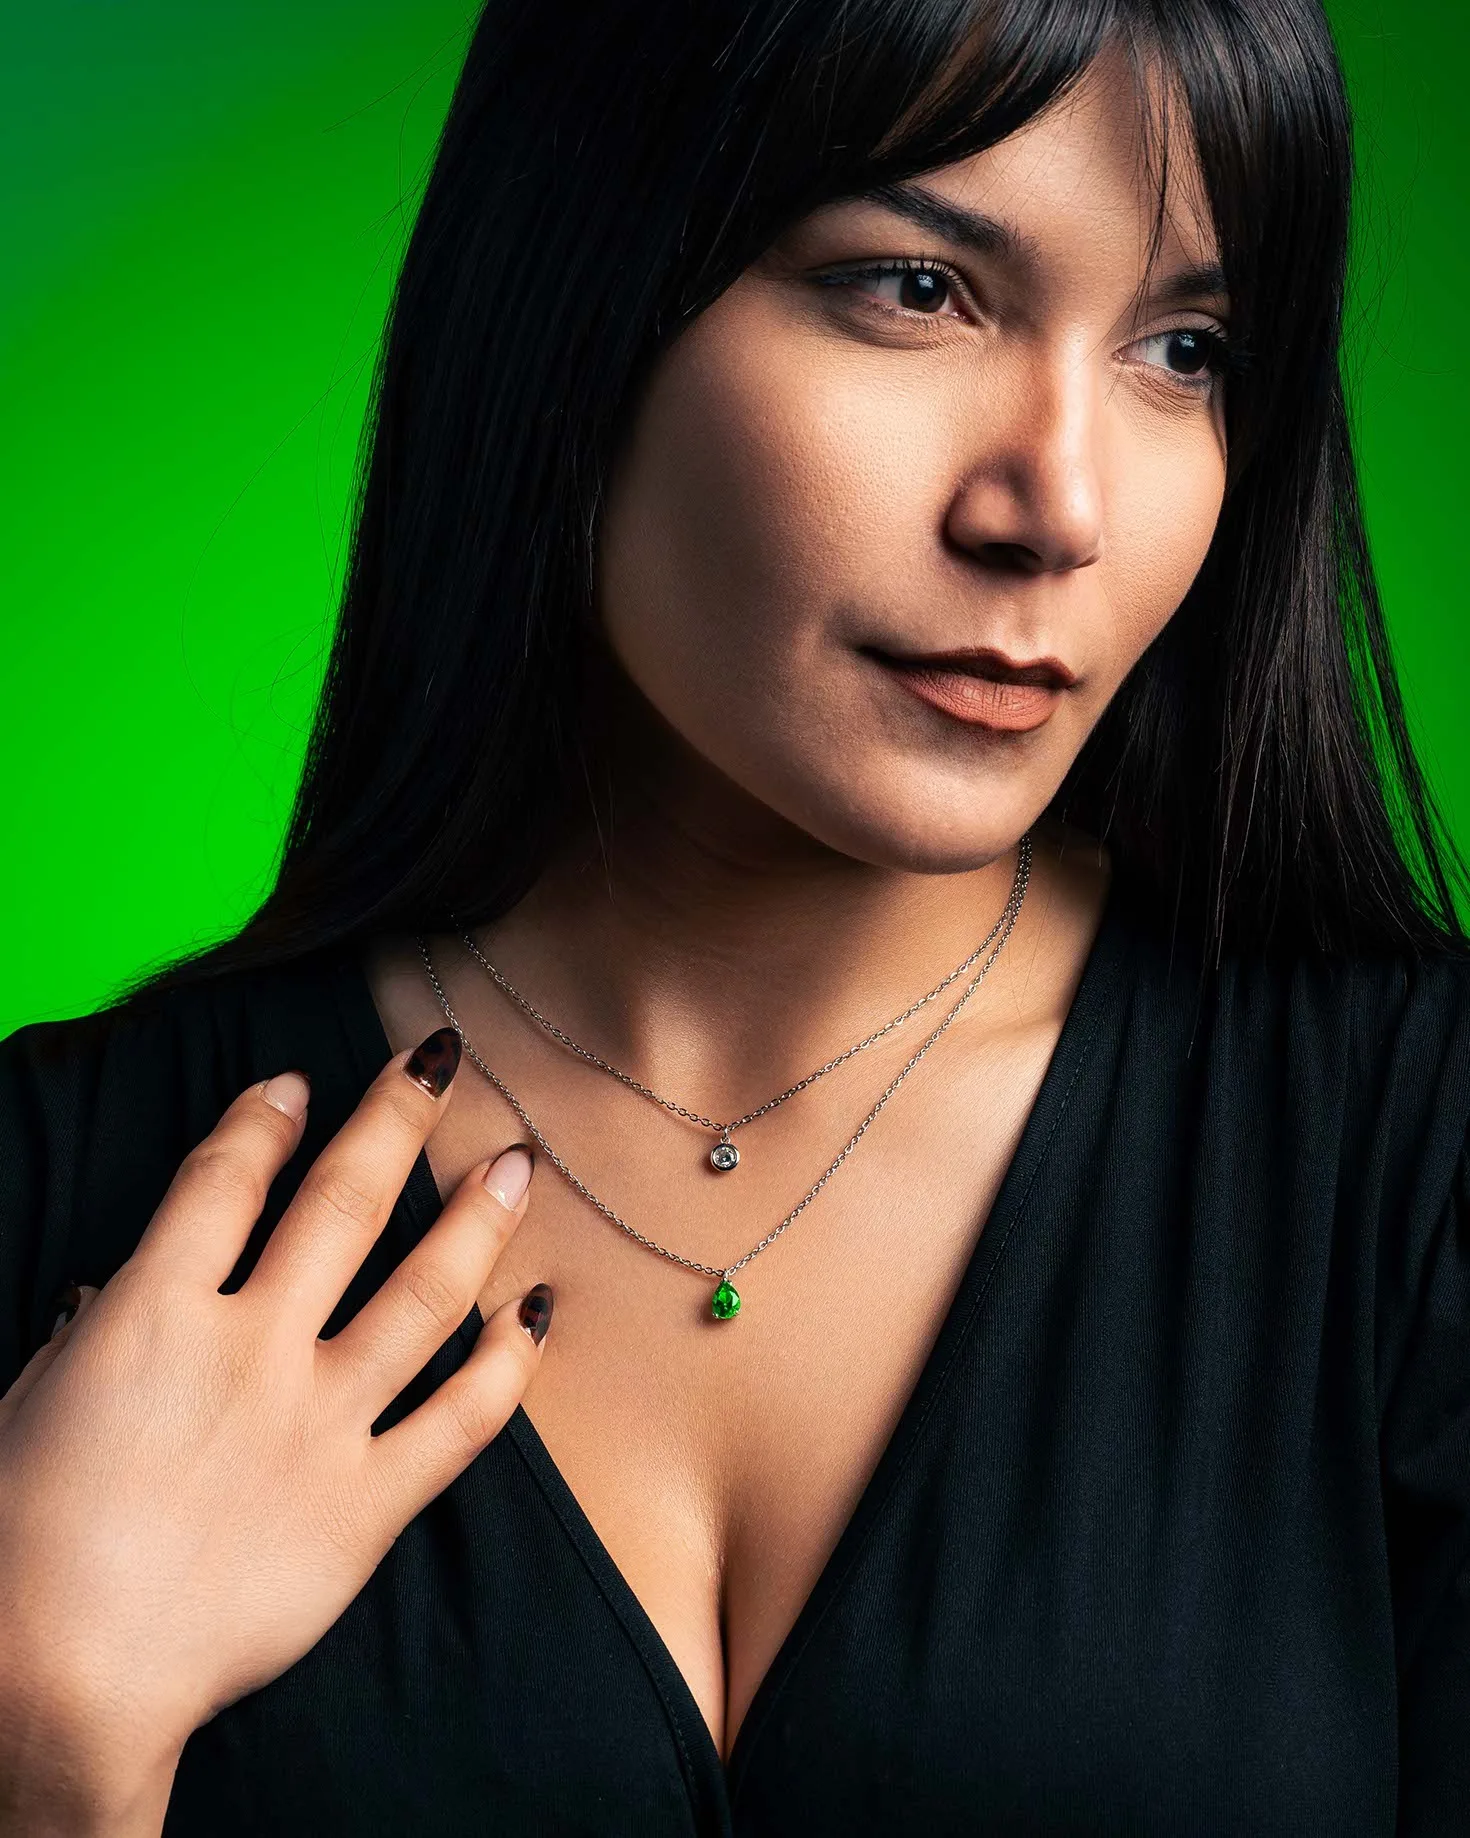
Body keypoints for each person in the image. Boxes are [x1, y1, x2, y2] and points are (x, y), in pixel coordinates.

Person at [2, 0, 1467, 1832]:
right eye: (917, 291)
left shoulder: (1412, 1158)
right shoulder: (57, 1192)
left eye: (1182, 350)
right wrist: (51, 1739)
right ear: (573, 297)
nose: (1062, 507)